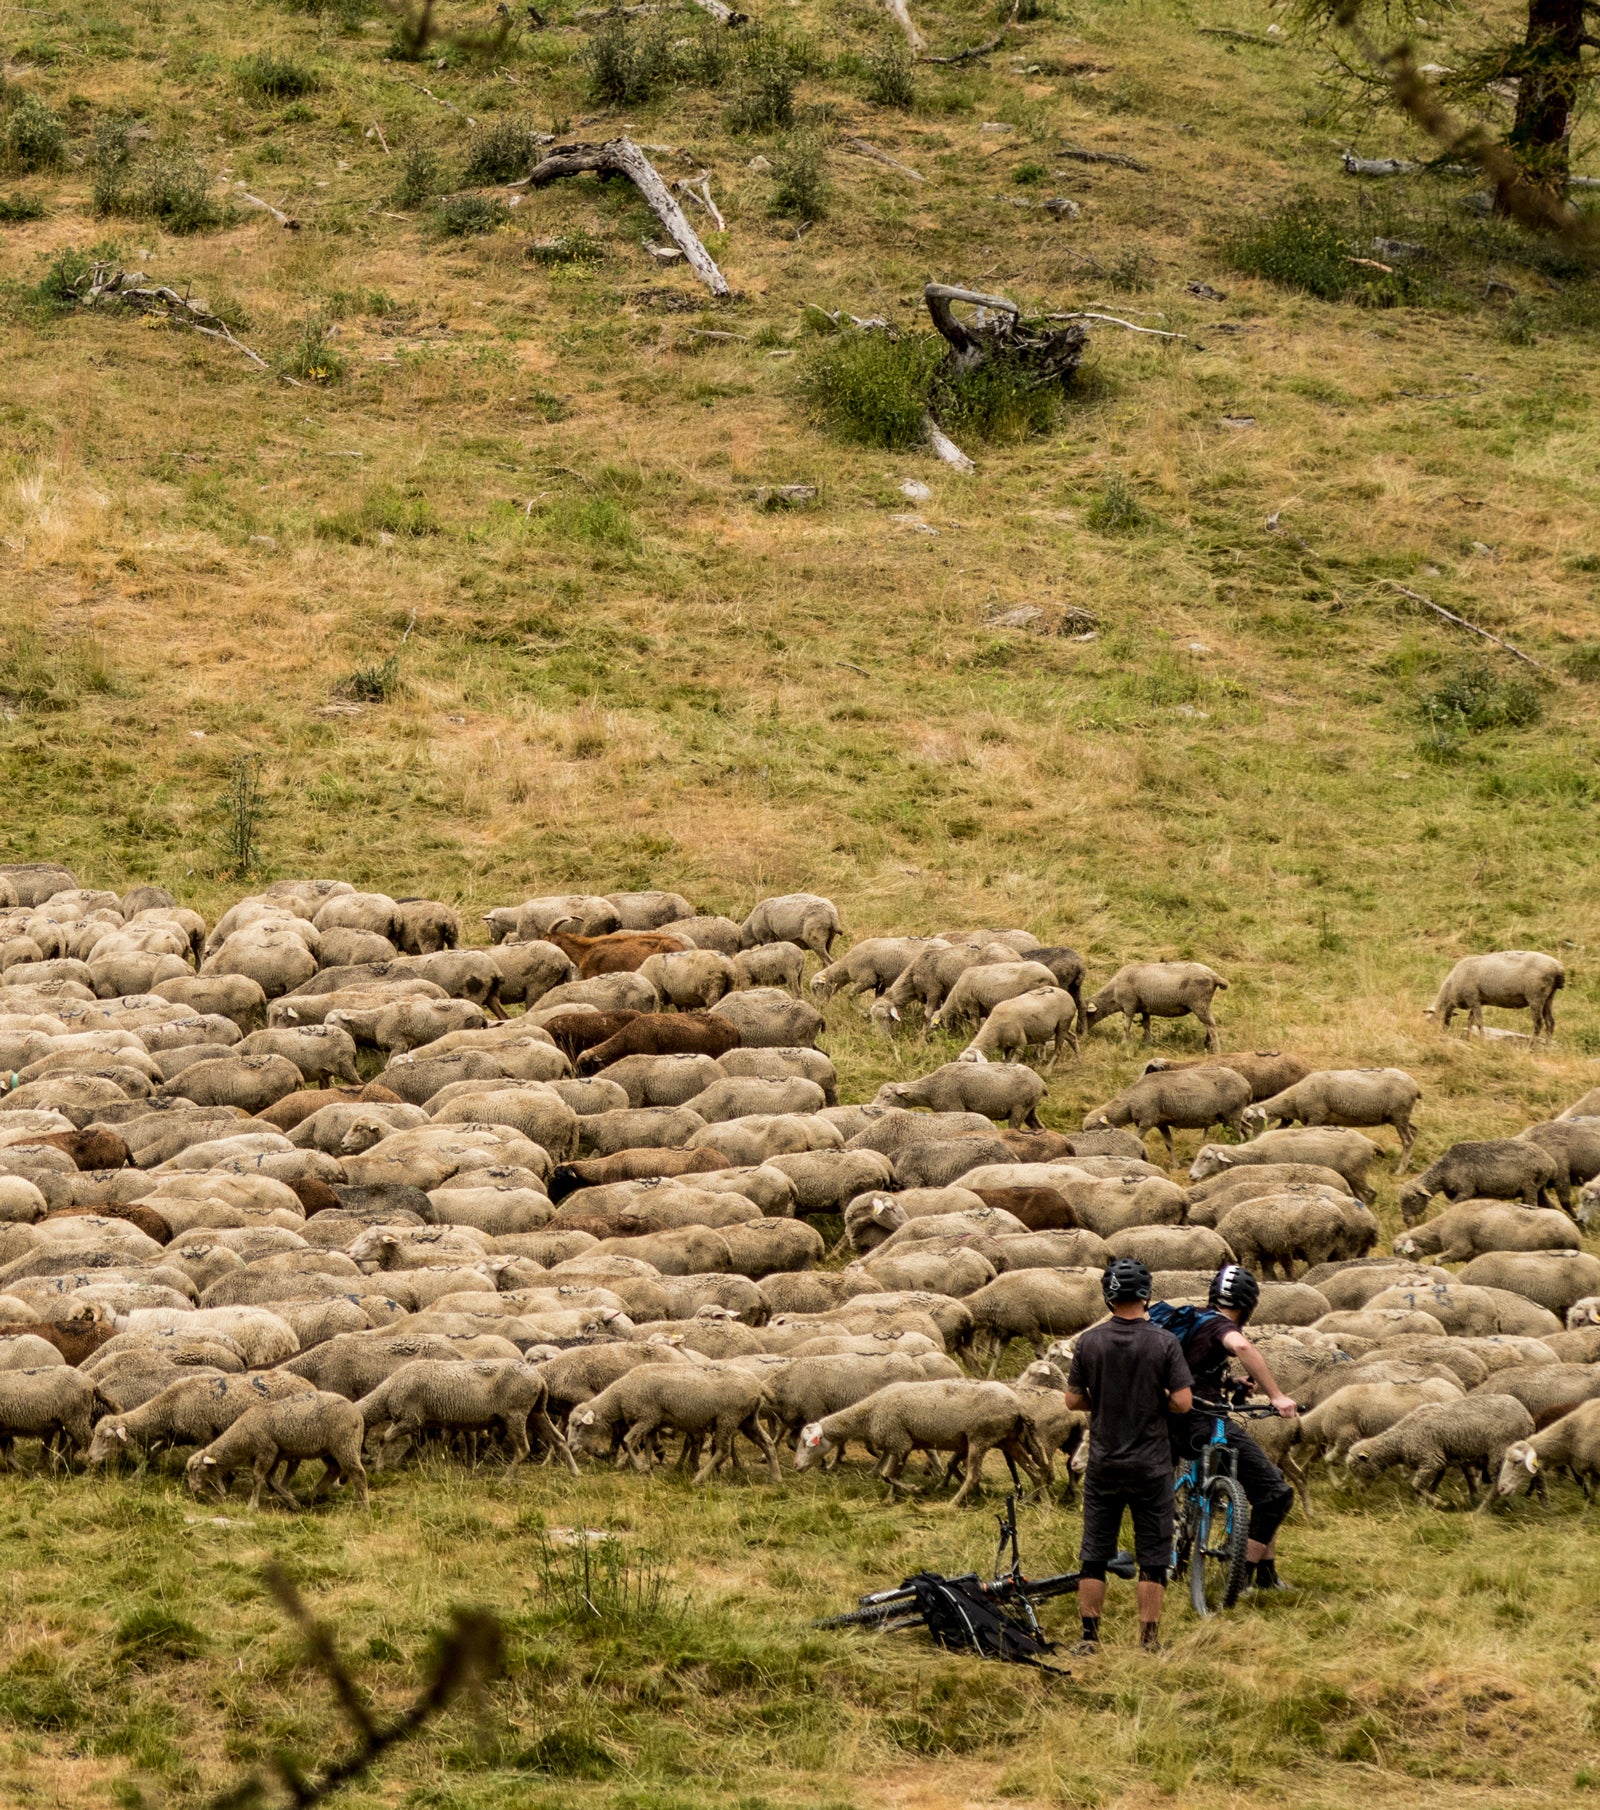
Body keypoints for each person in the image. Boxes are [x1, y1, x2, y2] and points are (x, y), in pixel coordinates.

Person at [1063, 1257, 1193, 1655]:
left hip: (1104, 1461)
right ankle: (1149, 1642)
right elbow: (1184, 1403)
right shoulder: (1164, 1342)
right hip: (1151, 1464)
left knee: (1095, 1551)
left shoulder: (1089, 1342)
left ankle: (1089, 1639)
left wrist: (1101, 1401)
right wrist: (1156, 1404)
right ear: (1146, 1296)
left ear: (1108, 1297)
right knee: (1153, 1553)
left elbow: (1071, 1401)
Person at [1156, 1264, 1299, 1592]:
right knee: (1276, 1496)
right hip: (1203, 1423)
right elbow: (1243, 1347)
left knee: (1268, 1482)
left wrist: (1229, 1381)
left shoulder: (1195, 1319)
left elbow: (1190, 1369)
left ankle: (1267, 1574)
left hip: (1170, 1421)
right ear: (1247, 1305)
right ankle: (1242, 1578)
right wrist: (1276, 1396)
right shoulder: (1221, 1326)